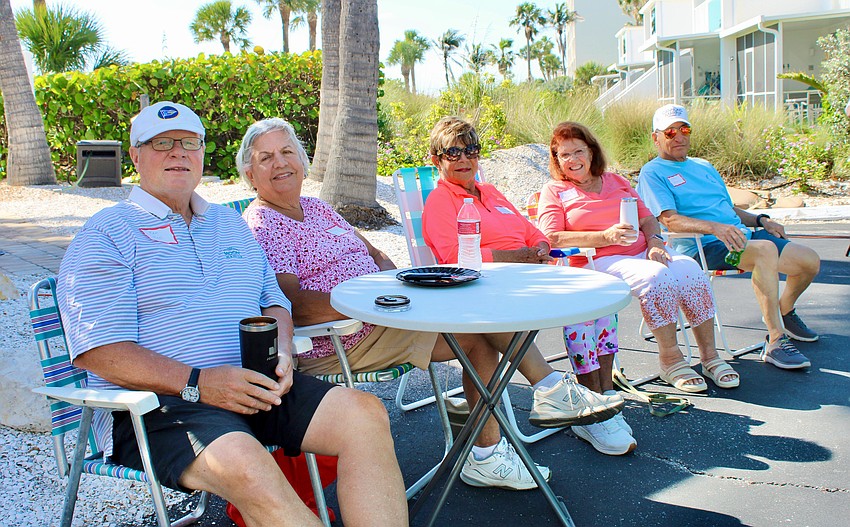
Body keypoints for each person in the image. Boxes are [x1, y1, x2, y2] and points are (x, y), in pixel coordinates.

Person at [57, 102, 408, 527]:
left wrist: (282, 352)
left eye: (189, 143)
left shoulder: (228, 224)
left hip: (254, 386)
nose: (177, 153)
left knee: (365, 416)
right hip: (164, 405)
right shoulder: (105, 233)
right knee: (250, 467)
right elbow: (99, 352)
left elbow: (274, 301)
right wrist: (199, 383)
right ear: (135, 156)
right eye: (161, 144)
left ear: (202, 153)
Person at [237, 117, 623, 491]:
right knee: (477, 329)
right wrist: (373, 301)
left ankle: (503, 439)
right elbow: (291, 303)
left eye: (287, 151)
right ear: (250, 175)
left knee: (480, 325)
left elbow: (373, 253)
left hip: (383, 315)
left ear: (303, 162)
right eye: (266, 157)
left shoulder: (317, 208)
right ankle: (540, 402)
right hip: (339, 338)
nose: (281, 163)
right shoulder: (263, 224)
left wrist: (393, 285)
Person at [421, 116, 636, 457]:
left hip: (527, 277)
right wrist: (517, 256)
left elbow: (533, 231)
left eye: (470, 150)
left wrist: (538, 248)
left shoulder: (491, 192)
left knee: (593, 299)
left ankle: (600, 394)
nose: (464, 159)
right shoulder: (440, 201)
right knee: (572, 312)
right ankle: (566, 399)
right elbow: (453, 257)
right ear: (437, 159)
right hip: (488, 288)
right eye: (453, 152)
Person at [536, 120, 739, 407]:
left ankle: (710, 356)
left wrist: (656, 243)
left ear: (591, 152)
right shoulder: (554, 190)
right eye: (564, 155)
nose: (572, 160)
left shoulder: (616, 181)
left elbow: (647, 218)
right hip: (597, 260)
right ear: (556, 159)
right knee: (655, 277)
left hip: (644, 251)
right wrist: (604, 237)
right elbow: (552, 236)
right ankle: (670, 359)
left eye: (578, 151)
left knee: (691, 271)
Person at [637, 104, 821, 370]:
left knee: (809, 261)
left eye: (684, 129)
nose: (678, 136)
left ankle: (784, 310)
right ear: (656, 138)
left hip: (741, 236)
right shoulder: (653, 172)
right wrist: (715, 228)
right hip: (704, 246)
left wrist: (761, 220)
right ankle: (776, 341)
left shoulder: (703, 166)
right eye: (669, 132)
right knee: (765, 251)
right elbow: (668, 219)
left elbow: (728, 208)